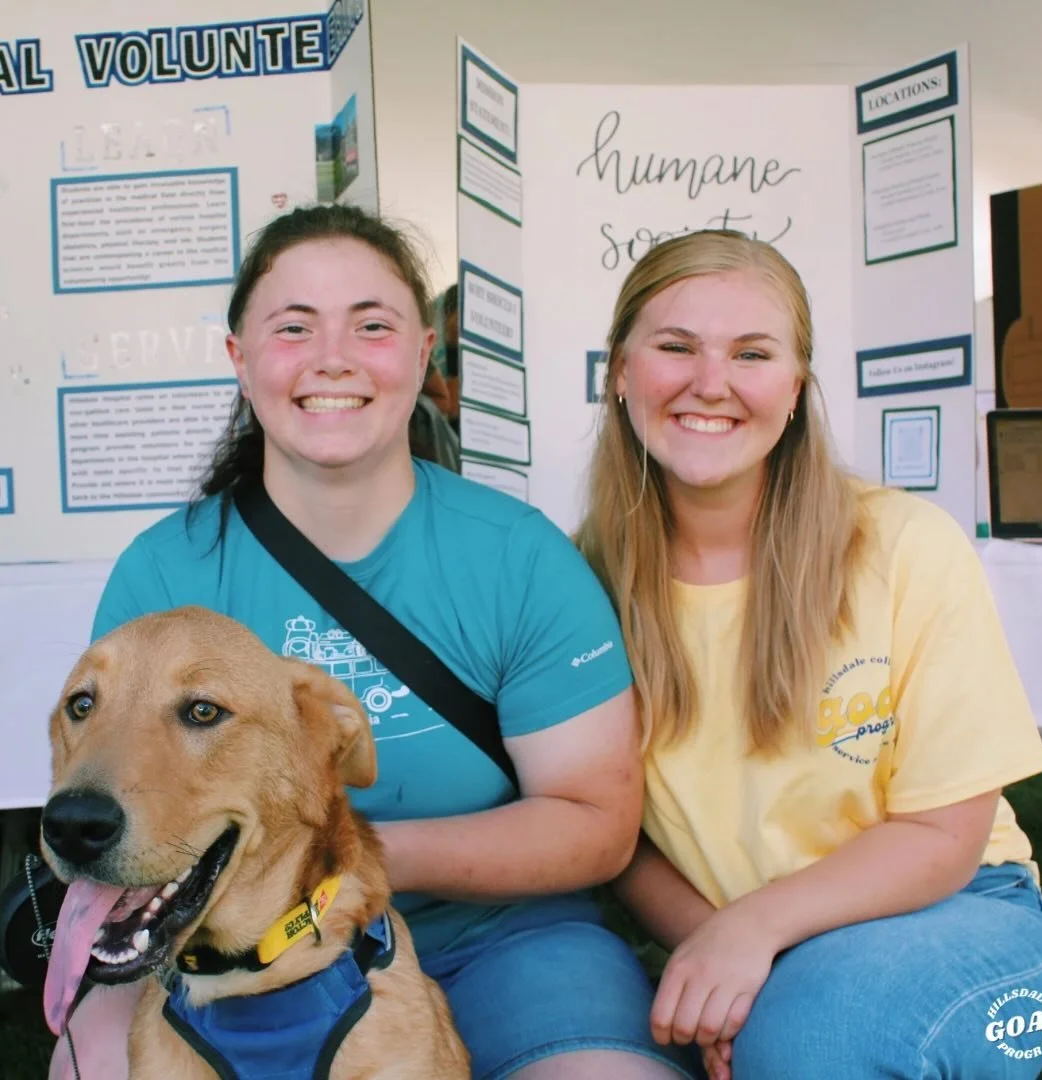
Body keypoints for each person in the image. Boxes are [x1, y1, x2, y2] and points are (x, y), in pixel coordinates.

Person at [48, 204, 703, 1080]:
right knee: (89, 1062)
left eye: (372, 325)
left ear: (423, 353)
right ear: (240, 360)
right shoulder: (166, 569)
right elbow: (127, 789)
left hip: (504, 944)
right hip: (226, 955)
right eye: (293, 328)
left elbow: (597, 825)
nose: (333, 357)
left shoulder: (518, 556)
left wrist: (347, 857)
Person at [575, 229, 1042, 1080]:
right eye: (675, 347)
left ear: (798, 385)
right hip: (738, 934)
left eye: (752, 352)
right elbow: (618, 837)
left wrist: (753, 936)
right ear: (620, 371)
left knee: (811, 1046)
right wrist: (717, 951)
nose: (711, 383)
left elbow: (944, 834)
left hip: (960, 911)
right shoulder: (578, 582)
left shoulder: (904, 545)